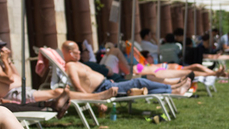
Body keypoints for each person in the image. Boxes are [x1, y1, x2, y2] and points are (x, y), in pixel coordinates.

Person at [0, 36, 112, 114]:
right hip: (13, 96)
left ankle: (95, 98)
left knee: (58, 92)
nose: (1, 50)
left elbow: (16, 76)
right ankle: (96, 97)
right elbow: (9, 79)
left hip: (22, 91)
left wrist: (9, 61)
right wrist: (5, 61)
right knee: (57, 92)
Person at [62, 41, 191, 96]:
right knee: (139, 82)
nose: (79, 53)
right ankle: (173, 89)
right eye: (77, 51)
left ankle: (173, 89)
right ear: (70, 52)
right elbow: (77, 86)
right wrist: (95, 100)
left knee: (140, 88)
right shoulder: (70, 66)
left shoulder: (78, 64)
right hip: (103, 90)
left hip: (107, 84)